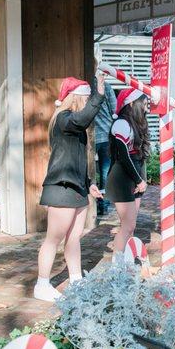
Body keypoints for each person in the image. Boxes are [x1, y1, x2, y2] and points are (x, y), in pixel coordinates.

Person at [35, 75, 106, 302]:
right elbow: (83, 118)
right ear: (75, 98)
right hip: (61, 189)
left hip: (77, 189)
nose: (87, 103)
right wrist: (100, 94)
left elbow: (74, 160)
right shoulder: (64, 120)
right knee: (52, 240)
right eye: (85, 98)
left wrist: (90, 184)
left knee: (74, 238)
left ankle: (76, 280)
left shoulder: (75, 127)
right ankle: (42, 284)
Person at [107, 88, 151, 260]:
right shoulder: (121, 124)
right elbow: (123, 157)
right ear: (131, 103)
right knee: (127, 226)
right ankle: (117, 267)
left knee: (130, 226)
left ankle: (127, 260)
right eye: (144, 104)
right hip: (122, 177)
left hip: (133, 175)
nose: (146, 108)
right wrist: (139, 180)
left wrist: (139, 179)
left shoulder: (134, 123)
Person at [93, 68, 117, 215]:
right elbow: (115, 110)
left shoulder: (85, 87)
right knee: (105, 171)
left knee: (88, 172)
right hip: (106, 134)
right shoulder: (106, 87)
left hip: (90, 137)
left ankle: (90, 204)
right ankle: (103, 205)